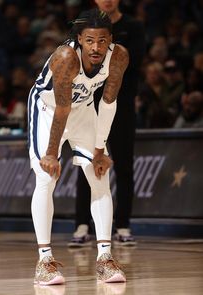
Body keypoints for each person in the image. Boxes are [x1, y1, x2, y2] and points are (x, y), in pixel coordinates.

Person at [28, 8, 129, 286]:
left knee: (100, 174)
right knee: (46, 177)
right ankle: (44, 261)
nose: (96, 47)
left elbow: (108, 103)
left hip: (84, 109)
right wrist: (51, 153)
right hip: (48, 109)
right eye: (89, 41)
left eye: (102, 40)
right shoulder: (65, 58)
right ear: (79, 40)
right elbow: (62, 108)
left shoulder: (118, 56)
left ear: (110, 39)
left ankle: (105, 258)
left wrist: (99, 149)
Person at [68, 0, 146, 247]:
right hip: (89, 105)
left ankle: (122, 225)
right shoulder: (85, 23)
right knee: (86, 162)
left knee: (123, 166)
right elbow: (75, 58)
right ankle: (82, 225)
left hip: (121, 106)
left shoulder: (133, 26)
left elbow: (132, 63)